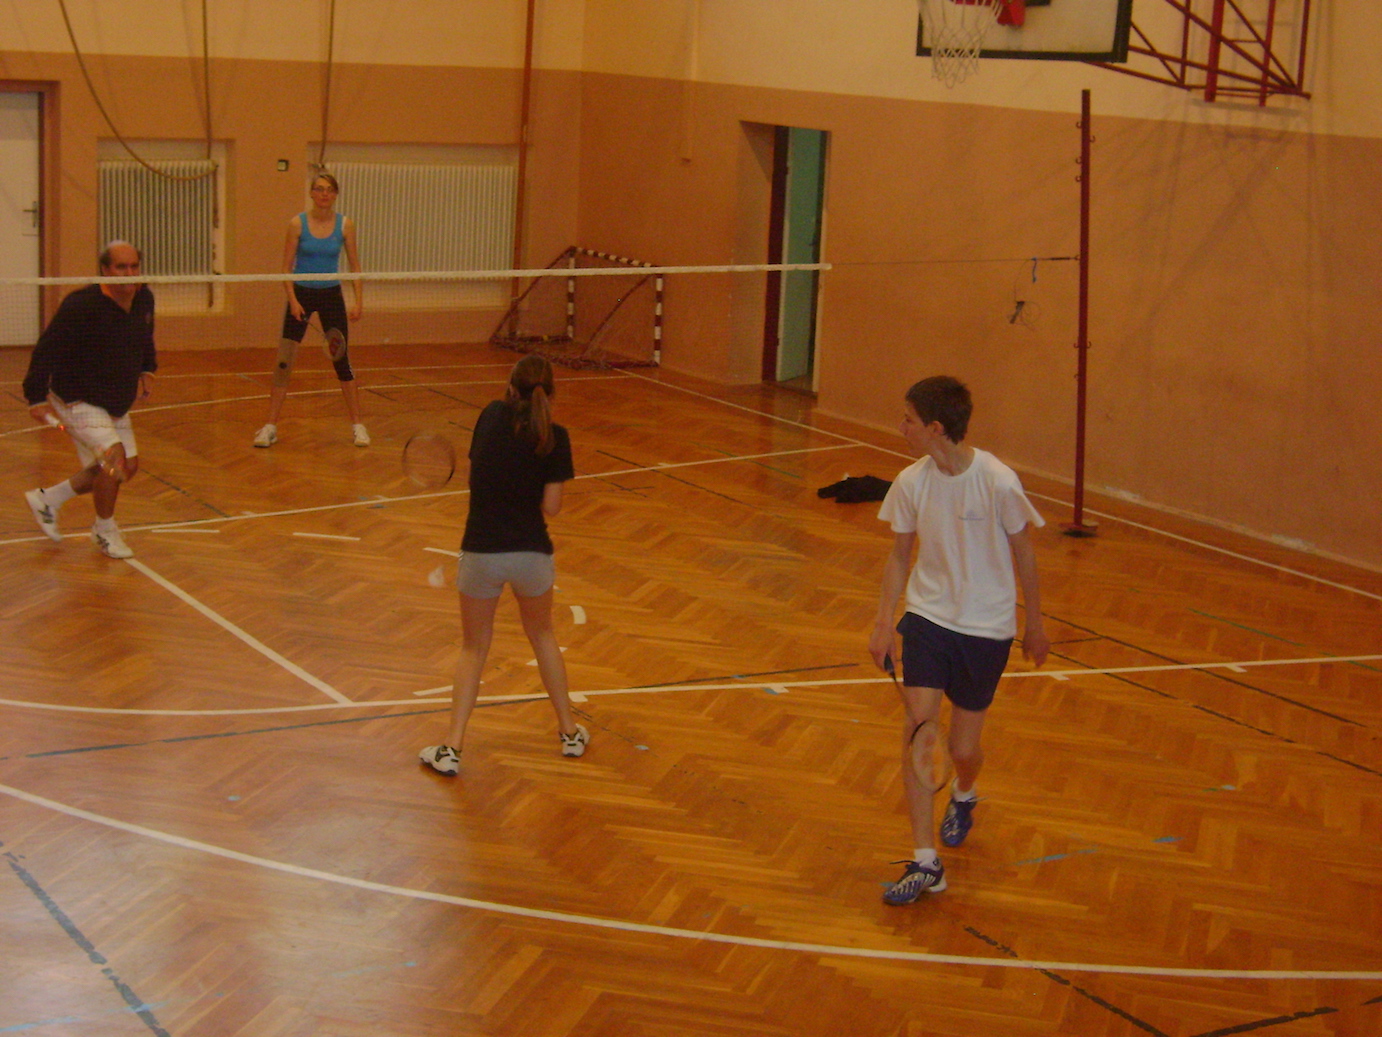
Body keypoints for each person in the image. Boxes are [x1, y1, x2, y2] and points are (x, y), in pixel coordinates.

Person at [868, 375, 1049, 904]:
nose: (901, 428)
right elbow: (899, 555)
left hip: (985, 628)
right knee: (918, 730)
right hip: (928, 618)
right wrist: (883, 622)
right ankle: (926, 861)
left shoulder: (997, 481)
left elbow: (1025, 553)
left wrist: (1035, 624)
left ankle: (965, 793)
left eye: (908, 420)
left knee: (963, 749)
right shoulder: (910, 482)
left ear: (935, 428)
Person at [419, 355, 588, 774]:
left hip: (482, 552)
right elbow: (552, 507)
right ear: (550, 393)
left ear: (511, 387)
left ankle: (451, 748)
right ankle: (569, 733)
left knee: (473, 648)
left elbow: (478, 476)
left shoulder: (491, 416)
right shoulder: (556, 436)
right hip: (531, 554)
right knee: (543, 636)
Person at [22, 241, 156, 560]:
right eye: (121, 267)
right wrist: (36, 397)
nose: (129, 273)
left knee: (127, 467)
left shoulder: (144, 297)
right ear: (105, 270)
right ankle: (104, 531)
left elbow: (145, 335)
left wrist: (148, 368)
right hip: (77, 397)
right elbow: (47, 348)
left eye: (134, 266)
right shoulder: (81, 305)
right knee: (114, 460)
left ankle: (48, 499)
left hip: (115, 399)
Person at [253, 171, 368, 448]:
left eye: (329, 189)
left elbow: (355, 266)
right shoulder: (297, 224)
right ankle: (270, 427)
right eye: (319, 189)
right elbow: (286, 268)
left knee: (341, 359)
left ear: (335, 194)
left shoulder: (345, 225)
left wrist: (358, 300)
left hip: (331, 296)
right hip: (301, 295)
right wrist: (293, 300)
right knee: (284, 360)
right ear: (312, 193)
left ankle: (358, 426)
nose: (324, 194)